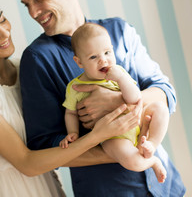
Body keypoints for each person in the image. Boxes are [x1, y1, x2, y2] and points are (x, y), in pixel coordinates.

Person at [0, 0, 141, 197]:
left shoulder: (25, 69)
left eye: (2, 19)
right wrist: (102, 139)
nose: (5, 32)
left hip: (49, 186)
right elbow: (27, 163)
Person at [12, 0, 186, 196]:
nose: (33, 12)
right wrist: (118, 149)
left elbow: (164, 91)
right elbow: (45, 146)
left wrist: (118, 102)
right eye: (27, 4)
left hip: (165, 186)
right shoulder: (38, 59)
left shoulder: (120, 30)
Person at [60, 23, 169, 183]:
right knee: (131, 161)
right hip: (114, 136)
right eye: (93, 57)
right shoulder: (75, 87)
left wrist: (121, 79)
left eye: (107, 52)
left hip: (137, 118)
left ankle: (151, 144)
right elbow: (70, 112)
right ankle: (153, 161)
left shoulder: (119, 73)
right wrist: (73, 132)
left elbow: (134, 98)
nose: (103, 60)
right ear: (79, 62)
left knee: (160, 108)